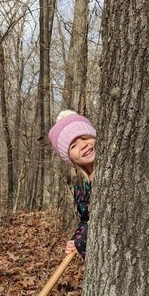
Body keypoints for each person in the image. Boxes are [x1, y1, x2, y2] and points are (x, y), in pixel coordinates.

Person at [48, 110, 96, 259]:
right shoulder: (81, 187)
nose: (83, 145)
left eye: (85, 137)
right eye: (73, 146)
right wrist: (78, 238)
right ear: (69, 157)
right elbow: (86, 220)